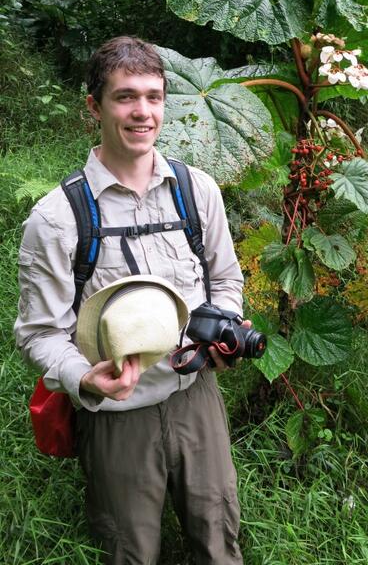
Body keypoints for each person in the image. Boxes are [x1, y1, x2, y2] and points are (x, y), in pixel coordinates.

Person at [15, 36, 246, 565]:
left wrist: (223, 328)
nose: (143, 112)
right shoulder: (57, 217)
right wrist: (82, 379)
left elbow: (226, 281)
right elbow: (39, 333)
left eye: (154, 96)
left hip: (195, 394)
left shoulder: (198, 191)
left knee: (219, 535)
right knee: (129, 549)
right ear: (94, 106)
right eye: (125, 97)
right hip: (116, 414)